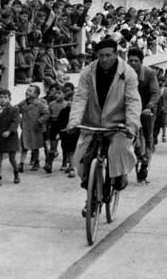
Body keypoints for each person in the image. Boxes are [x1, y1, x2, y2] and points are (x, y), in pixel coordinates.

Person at [65, 39, 141, 217]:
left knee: (119, 150)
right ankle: (91, 197)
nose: (105, 59)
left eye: (108, 55)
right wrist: (74, 121)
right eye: (101, 56)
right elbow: (81, 97)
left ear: (116, 54)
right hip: (93, 123)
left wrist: (131, 125)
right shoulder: (88, 72)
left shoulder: (128, 73)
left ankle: (118, 177)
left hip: (118, 124)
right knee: (84, 158)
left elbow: (133, 101)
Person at [126, 48, 159, 183]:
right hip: (129, 108)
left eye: (136, 61)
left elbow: (155, 92)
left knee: (147, 136)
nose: (133, 63)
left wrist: (149, 106)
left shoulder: (149, 73)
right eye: (130, 60)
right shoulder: (123, 72)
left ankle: (145, 165)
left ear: (141, 62)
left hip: (146, 108)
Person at [17, 84, 50, 172]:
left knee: (35, 147)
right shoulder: (23, 103)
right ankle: (21, 163)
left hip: (35, 129)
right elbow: (16, 110)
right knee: (24, 146)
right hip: (25, 128)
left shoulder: (39, 104)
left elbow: (46, 114)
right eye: (27, 90)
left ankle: (36, 161)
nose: (27, 92)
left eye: (30, 91)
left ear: (36, 95)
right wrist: (18, 118)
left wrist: (39, 121)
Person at [0, 88, 21, 187]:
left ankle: (16, 173)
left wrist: (9, 131)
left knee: (12, 158)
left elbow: (15, 121)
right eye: (0, 97)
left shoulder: (14, 109)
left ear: (10, 99)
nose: (3, 99)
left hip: (10, 138)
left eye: (5, 97)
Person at [44, 84, 68, 172]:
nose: (57, 95)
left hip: (64, 126)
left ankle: (65, 163)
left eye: (60, 93)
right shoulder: (51, 104)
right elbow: (48, 116)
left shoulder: (66, 104)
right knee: (53, 146)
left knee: (65, 146)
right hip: (54, 125)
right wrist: (46, 127)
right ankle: (49, 164)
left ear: (65, 95)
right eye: (56, 93)